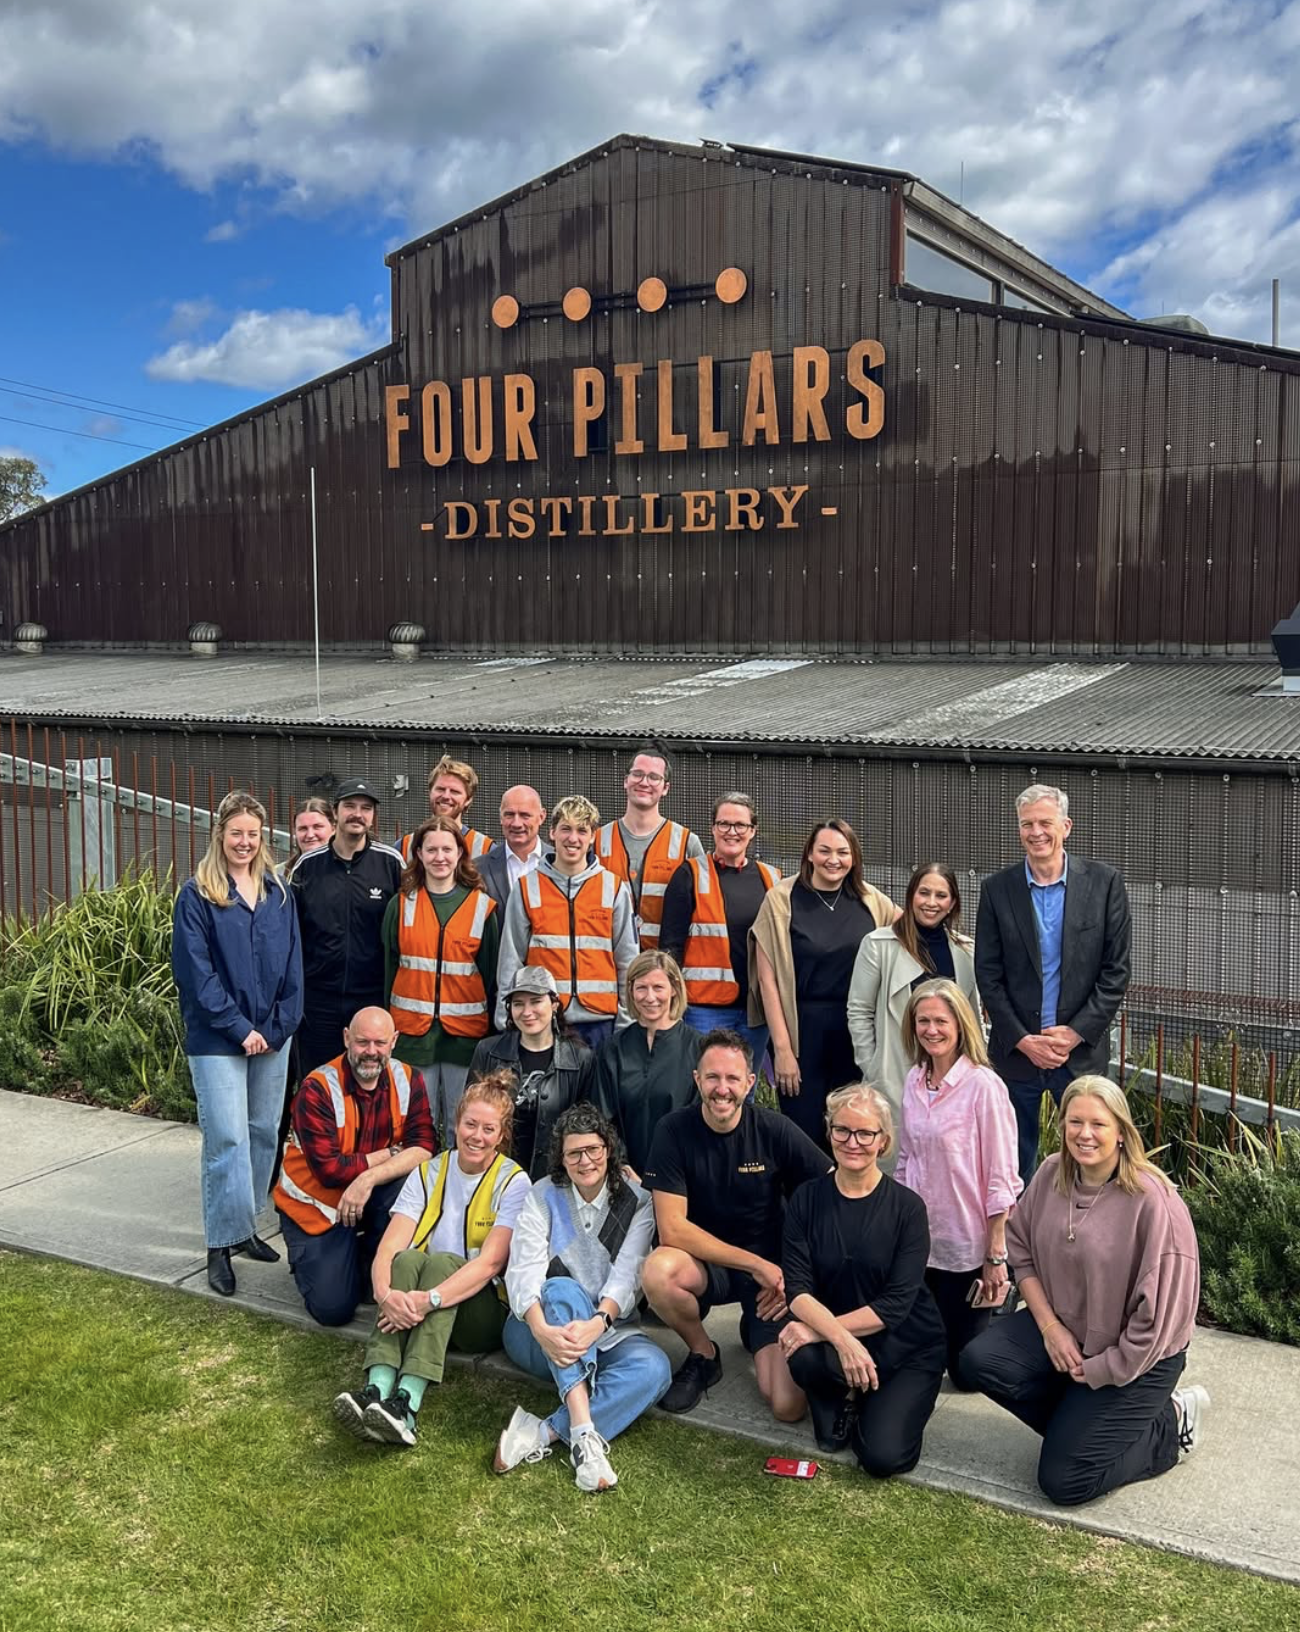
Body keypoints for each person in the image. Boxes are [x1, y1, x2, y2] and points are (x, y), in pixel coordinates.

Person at [958, 1077, 1207, 1507]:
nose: (1084, 1134)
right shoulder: (1053, 1172)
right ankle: (1080, 1427)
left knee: (1064, 1481)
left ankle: (1167, 1424)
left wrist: (1100, 1370)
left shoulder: (1154, 1202)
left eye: (1098, 1124)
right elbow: (1020, 1251)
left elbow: (1156, 1324)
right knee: (978, 1361)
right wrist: (1050, 1327)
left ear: (1122, 1133)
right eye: (1075, 1121)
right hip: (1067, 1332)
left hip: (1137, 1358)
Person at [641, 1030, 829, 1421]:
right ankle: (703, 1354)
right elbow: (672, 1229)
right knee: (658, 1271)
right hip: (710, 1269)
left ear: (750, 1082)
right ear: (697, 1079)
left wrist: (795, 1276)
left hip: (770, 1282)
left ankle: (755, 1327)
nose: (721, 1089)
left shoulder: (773, 1128)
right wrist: (753, 1263)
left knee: (787, 1406)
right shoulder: (673, 1131)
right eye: (712, 1078)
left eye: (732, 1079)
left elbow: (830, 1190)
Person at [331, 1074, 529, 1447]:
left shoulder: (513, 1181)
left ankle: (407, 1403)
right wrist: (385, 1295)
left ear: (501, 1135)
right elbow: (388, 1249)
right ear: (455, 1124)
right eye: (470, 1124)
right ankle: (376, 1391)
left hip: (479, 1312)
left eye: (488, 1129)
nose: (477, 1136)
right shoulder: (430, 1170)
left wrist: (428, 1299)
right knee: (404, 1260)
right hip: (420, 1309)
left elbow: (489, 1264)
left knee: (442, 1263)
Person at [494, 1103, 671, 1493]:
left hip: (604, 1329)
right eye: (573, 1152)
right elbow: (523, 1270)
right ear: (561, 1156)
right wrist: (541, 1329)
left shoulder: (638, 1200)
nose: (585, 1160)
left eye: (593, 1149)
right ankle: (586, 1441)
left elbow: (628, 1274)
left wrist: (597, 1324)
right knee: (560, 1288)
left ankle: (542, 1432)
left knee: (655, 1369)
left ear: (608, 1149)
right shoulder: (542, 1195)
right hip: (538, 1332)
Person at [172, 790, 303, 1297]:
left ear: (262, 838)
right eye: (235, 834)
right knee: (226, 1138)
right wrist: (239, 1028)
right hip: (217, 1038)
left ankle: (244, 1227)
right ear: (219, 835)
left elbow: (293, 967)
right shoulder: (198, 894)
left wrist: (275, 1028)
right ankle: (219, 1245)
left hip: (272, 1037)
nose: (244, 843)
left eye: (252, 834)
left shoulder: (279, 893)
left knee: (263, 1133)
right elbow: (196, 974)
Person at [779, 1084, 947, 1474]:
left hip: (905, 1346)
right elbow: (797, 1292)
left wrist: (822, 1331)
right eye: (842, 1130)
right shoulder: (805, 1200)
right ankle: (842, 1395)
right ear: (829, 1132)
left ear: (883, 1142)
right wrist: (841, 1340)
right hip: (838, 1342)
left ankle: (880, 1398)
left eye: (865, 1133)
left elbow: (896, 1305)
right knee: (801, 1352)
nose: (852, 1142)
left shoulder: (908, 1209)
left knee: (881, 1458)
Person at [975, 784, 1133, 1183]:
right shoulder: (997, 890)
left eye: (1045, 822)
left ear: (1066, 826)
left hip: (1078, 1055)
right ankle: (1013, 1242)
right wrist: (1023, 1039)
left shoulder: (1104, 883)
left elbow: (1116, 971)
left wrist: (1075, 1033)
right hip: (1017, 1055)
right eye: (1027, 824)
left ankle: (1089, 1239)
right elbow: (988, 976)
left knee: (1093, 1159)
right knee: (1011, 1163)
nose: (1036, 832)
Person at [272, 1006, 436, 1326]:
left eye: (380, 1043)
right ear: (347, 1038)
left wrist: (368, 1178)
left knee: (412, 1184)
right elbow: (330, 1171)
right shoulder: (317, 1087)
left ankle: (362, 1257)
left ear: (394, 1042)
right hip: (317, 1210)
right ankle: (322, 1259)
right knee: (334, 1310)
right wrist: (388, 1154)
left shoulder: (408, 1078)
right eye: (362, 1042)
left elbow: (425, 1146)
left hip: (367, 1195)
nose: (371, 1052)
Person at [894, 979, 1021, 1384]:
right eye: (923, 1021)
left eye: (940, 1021)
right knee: (921, 1356)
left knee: (965, 1374)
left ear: (961, 1025)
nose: (931, 1030)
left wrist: (995, 1255)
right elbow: (904, 1159)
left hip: (965, 1246)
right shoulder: (914, 1081)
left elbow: (1001, 1176)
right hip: (918, 1239)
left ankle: (1008, 1312)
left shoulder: (984, 1087)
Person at [750, 820, 898, 1145]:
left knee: (852, 1128)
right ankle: (804, 1196)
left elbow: (913, 931)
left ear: (854, 857)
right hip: (802, 1031)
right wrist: (784, 1050)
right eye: (825, 850)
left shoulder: (871, 900)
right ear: (810, 855)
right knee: (804, 1132)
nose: (834, 859)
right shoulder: (782, 900)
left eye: (843, 852)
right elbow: (767, 979)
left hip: (856, 1031)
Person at [847, 862, 979, 1169]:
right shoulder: (879, 945)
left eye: (941, 895)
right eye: (924, 893)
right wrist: (873, 1067)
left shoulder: (966, 951)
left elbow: (969, 1016)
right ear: (911, 896)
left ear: (953, 903)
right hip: (894, 1074)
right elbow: (859, 1011)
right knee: (895, 1166)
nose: (931, 902)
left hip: (949, 1078)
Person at [382, 815, 499, 1147]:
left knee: (462, 1124)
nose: (439, 857)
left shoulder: (482, 907)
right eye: (431, 849)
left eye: (447, 849)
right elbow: (388, 971)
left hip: (465, 1039)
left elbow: (490, 976)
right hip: (412, 1036)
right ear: (418, 854)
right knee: (419, 1125)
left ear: (460, 853)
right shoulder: (400, 905)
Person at [496, 795, 639, 1049]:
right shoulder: (528, 887)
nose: (573, 839)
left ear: (593, 836)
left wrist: (626, 1021)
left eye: (582, 830)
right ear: (552, 832)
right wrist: (505, 1016)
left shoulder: (613, 888)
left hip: (601, 1022)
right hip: (545, 1019)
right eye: (566, 829)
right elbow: (511, 958)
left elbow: (627, 960)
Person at [289, 776, 404, 1078]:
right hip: (317, 1001)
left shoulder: (391, 863)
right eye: (350, 806)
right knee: (316, 1085)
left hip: (370, 998)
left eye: (366, 808)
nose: (358, 813)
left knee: (367, 1084)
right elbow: (291, 936)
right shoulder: (308, 866)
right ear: (335, 812)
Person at [659, 790, 780, 1068]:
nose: (732, 832)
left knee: (744, 1090)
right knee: (705, 1085)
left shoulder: (772, 879)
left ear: (753, 831)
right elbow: (670, 946)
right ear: (713, 828)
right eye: (724, 824)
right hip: (704, 1009)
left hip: (756, 1011)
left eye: (740, 825)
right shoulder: (689, 874)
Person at [468, 967, 596, 1178]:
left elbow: (588, 1127)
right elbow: (470, 1116)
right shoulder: (488, 1051)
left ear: (554, 1004)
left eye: (536, 1001)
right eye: (518, 1004)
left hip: (555, 1177)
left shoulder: (580, 1059)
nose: (527, 1012)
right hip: (495, 1176)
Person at [593, 950, 703, 1179]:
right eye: (641, 987)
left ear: (674, 989)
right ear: (631, 991)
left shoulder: (698, 1048)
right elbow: (600, 1116)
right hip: (623, 1177)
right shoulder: (612, 1049)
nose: (649, 997)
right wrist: (620, 1165)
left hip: (681, 1175)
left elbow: (702, 1117)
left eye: (658, 987)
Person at [596, 745, 704, 951]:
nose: (644, 782)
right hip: (607, 964)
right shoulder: (598, 840)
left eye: (654, 777)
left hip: (663, 967)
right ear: (625, 781)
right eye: (637, 774)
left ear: (665, 788)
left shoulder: (686, 843)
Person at [401, 754, 492, 862]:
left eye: (454, 792)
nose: (446, 796)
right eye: (440, 789)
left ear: (468, 800)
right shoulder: (405, 847)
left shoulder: (485, 848)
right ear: (430, 792)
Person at [478, 784, 547, 910]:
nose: (516, 823)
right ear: (501, 818)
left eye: (525, 815)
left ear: (541, 817)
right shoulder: (479, 870)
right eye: (509, 814)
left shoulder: (559, 863)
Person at [286, 797, 335, 869]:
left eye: (317, 827)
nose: (310, 835)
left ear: (334, 829)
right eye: (303, 828)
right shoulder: (279, 875)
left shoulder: (349, 871)